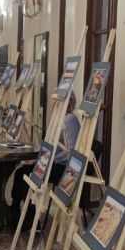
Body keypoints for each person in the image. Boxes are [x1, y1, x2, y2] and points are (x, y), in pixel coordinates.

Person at [10, 92, 81, 228]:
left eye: (56, 101)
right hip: (53, 163)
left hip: (62, 167)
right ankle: (15, 209)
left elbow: (72, 151)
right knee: (21, 173)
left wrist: (51, 157)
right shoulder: (60, 118)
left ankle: (30, 217)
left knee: (26, 175)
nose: (53, 104)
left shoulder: (70, 120)